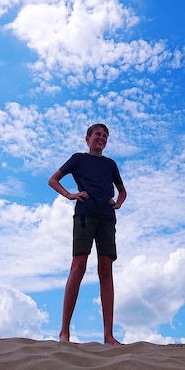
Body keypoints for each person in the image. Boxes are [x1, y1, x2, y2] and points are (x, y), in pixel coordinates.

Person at [48, 123, 127, 345]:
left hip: (107, 218)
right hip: (84, 214)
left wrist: (118, 204)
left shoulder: (110, 164)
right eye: (98, 135)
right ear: (87, 138)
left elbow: (122, 191)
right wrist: (69, 195)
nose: (102, 138)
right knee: (78, 265)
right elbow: (53, 179)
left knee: (106, 269)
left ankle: (108, 336)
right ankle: (64, 333)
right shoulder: (78, 159)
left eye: (105, 136)